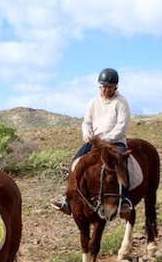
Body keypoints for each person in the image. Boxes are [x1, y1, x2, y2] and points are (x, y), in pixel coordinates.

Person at [50, 68, 132, 216]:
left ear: (115, 87)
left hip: (115, 142)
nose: (106, 89)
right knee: (76, 162)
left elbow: (121, 126)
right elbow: (86, 122)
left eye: (109, 86)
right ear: (99, 86)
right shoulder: (94, 102)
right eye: (103, 86)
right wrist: (87, 134)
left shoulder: (121, 103)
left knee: (120, 162)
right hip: (95, 142)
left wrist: (105, 139)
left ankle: (124, 199)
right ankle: (67, 197)